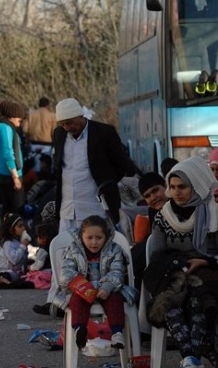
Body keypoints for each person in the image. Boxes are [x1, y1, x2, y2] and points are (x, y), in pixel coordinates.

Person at [144, 156, 218, 368]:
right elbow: (157, 255)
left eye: (182, 187)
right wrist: (180, 266)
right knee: (169, 302)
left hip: (209, 272)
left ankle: (189, 361)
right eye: (172, 187)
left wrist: (204, 262)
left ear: (197, 185)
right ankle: (190, 358)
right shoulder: (163, 217)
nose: (176, 192)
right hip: (174, 273)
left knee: (197, 298)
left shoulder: (216, 214)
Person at [57, 215, 137, 350]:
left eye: (99, 238)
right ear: (81, 236)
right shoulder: (73, 250)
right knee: (77, 301)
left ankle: (117, 333)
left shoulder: (114, 249)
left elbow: (117, 271)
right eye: (89, 238)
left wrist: (107, 287)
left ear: (106, 237)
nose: (94, 242)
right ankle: (79, 330)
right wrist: (82, 286)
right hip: (82, 291)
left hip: (107, 290)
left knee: (115, 299)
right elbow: (66, 273)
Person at [52, 97, 129, 232]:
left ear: (80, 116)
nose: (67, 127)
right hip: (67, 208)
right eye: (63, 124)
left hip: (95, 207)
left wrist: (107, 183)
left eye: (70, 123)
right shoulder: (59, 134)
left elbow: (121, 165)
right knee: (66, 250)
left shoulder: (104, 132)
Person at [0, 213, 31, 286]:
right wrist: (23, 246)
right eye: (20, 226)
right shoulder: (7, 243)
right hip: (5, 270)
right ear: (11, 229)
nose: (23, 228)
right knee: (9, 275)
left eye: (23, 225)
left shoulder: (18, 241)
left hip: (17, 271)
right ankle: (1, 279)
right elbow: (14, 260)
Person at [22, 97, 56, 172]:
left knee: (35, 165)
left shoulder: (31, 115)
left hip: (34, 144)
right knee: (46, 166)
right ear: (48, 105)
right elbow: (54, 131)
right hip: (47, 145)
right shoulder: (51, 116)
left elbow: (24, 129)